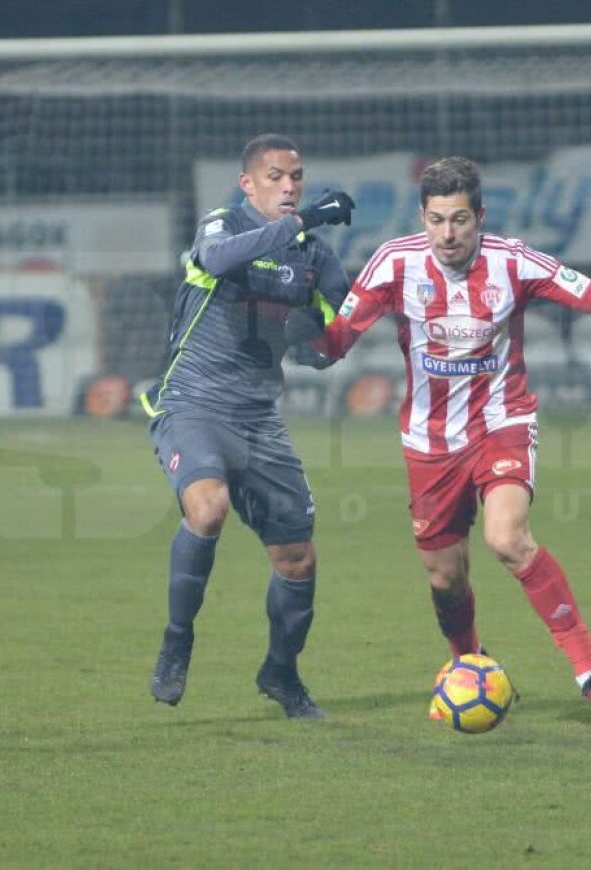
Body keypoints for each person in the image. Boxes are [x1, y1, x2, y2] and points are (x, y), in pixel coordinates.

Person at [285, 156, 591, 719]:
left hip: (501, 423)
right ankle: (469, 663)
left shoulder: (514, 262)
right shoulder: (393, 264)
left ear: (479, 217)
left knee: (507, 538)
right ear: (422, 218)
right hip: (429, 441)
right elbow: (334, 345)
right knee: (445, 577)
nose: (447, 234)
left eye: (459, 220)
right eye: (436, 220)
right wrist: (306, 336)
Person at [141, 133, 355, 718]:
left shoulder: (314, 256)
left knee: (298, 559)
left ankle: (281, 673)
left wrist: (319, 342)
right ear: (247, 183)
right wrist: (304, 220)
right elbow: (215, 262)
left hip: (259, 419)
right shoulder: (223, 226)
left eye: (297, 178)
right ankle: (178, 639)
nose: (289, 187)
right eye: (275, 177)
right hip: (192, 403)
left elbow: (341, 327)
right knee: (207, 508)